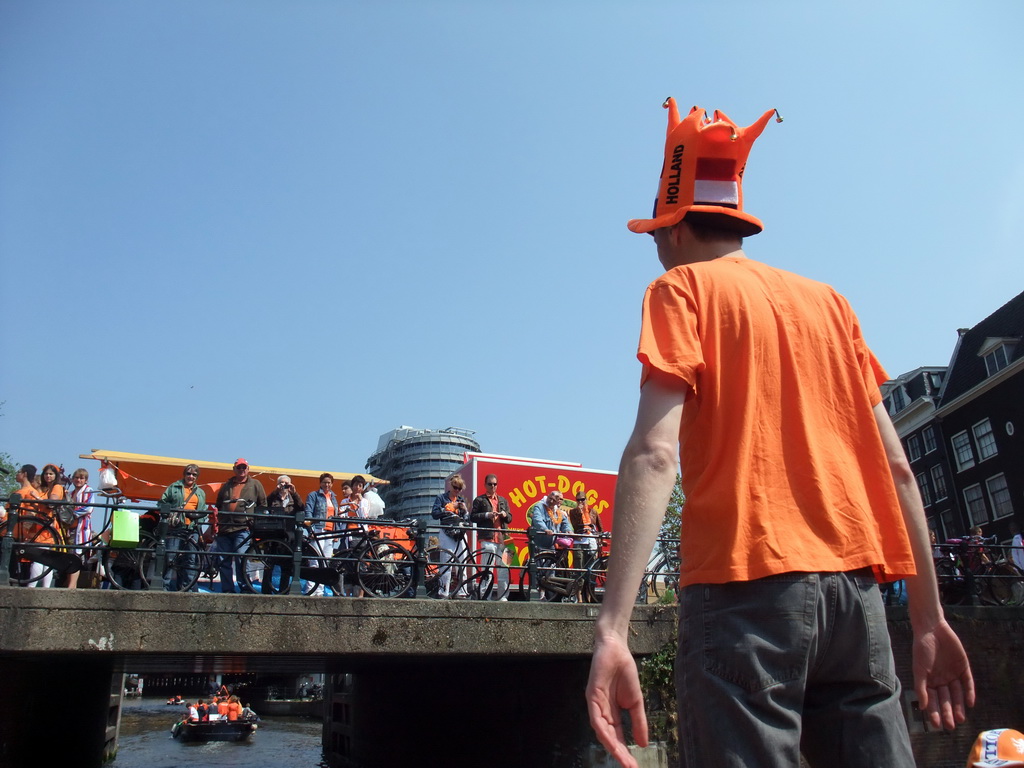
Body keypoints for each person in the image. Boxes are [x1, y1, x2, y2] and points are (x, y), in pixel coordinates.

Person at [586, 98, 974, 768]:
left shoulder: (681, 292)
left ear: (673, 231)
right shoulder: (831, 304)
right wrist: (930, 619)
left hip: (744, 593)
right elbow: (898, 468)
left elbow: (654, 455)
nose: (654, 252)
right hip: (856, 600)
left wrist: (613, 628)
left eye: (653, 237)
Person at [213, 458, 267, 593]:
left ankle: (245, 588)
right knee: (223, 559)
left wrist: (255, 522)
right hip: (225, 527)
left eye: (244, 467)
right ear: (234, 469)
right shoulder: (226, 485)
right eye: (239, 467)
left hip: (243, 527)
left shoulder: (255, 484)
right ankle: (227, 590)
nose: (242, 470)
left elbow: (263, 504)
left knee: (241, 557)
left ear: (248, 469)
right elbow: (219, 504)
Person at [160, 465, 206, 591]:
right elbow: (162, 503)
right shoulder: (173, 487)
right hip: (176, 527)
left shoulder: (200, 492)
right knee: (170, 557)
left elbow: (202, 510)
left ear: (197, 477)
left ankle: (187, 588)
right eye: (188, 473)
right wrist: (170, 513)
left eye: (194, 474)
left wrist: (199, 522)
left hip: (192, 527)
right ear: (184, 474)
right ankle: (164, 587)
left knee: (191, 559)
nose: (191, 476)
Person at [471, 473, 513, 601]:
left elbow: (510, 518)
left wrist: (505, 515)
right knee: (487, 569)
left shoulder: (503, 500)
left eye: (495, 484)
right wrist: (487, 515)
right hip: (488, 538)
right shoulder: (479, 500)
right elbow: (472, 517)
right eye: (490, 484)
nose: (493, 486)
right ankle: (485, 597)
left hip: (504, 538)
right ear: (485, 485)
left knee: (504, 570)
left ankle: (503, 597)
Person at [431, 475, 470, 598]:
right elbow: (435, 514)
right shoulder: (441, 498)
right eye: (455, 487)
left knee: (462, 561)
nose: (457, 490)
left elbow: (467, 519)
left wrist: (464, 510)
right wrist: (449, 508)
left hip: (459, 533)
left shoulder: (461, 500)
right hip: (446, 532)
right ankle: (444, 591)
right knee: (446, 561)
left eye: (459, 488)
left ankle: (462, 591)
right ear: (450, 485)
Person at [10, 465, 48, 587]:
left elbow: (31, 516)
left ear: (25, 474)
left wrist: (26, 533)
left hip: (16, 535)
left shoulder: (30, 493)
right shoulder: (17, 492)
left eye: (19, 472)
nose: (17, 474)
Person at [304, 473, 339, 596]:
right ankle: (310, 589)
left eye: (329, 482)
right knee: (315, 560)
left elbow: (336, 516)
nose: (327, 485)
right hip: (318, 529)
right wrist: (311, 529)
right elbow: (308, 512)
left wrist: (336, 533)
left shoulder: (334, 498)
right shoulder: (313, 495)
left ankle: (320, 591)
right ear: (320, 483)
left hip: (330, 531)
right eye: (324, 482)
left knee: (325, 561)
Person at [64, 468, 95, 589]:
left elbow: (88, 508)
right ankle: (71, 584)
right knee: (69, 556)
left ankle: (72, 585)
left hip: (81, 527)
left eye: (81, 478)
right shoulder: (70, 493)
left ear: (86, 480)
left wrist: (72, 514)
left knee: (76, 556)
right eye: (76, 478)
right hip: (71, 527)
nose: (78, 480)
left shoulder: (88, 491)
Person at [569, 490, 603, 566]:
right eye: (578, 500)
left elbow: (600, 527)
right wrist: (579, 512)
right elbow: (575, 525)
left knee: (591, 565)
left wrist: (600, 539)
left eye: (582, 499)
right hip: (579, 540)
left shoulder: (593, 511)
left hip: (591, 540)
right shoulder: (573, 512)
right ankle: (580, 578)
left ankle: (590, 578)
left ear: (586, 500)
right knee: (579, 565)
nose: (580, 502)